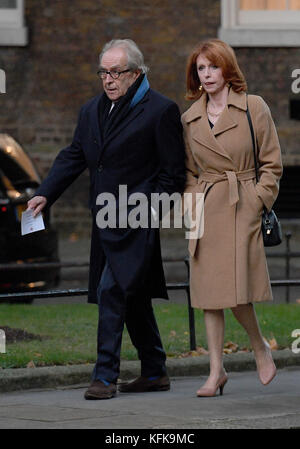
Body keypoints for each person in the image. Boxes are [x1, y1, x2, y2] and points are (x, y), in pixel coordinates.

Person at [27, 39, 186, 400]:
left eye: (116, 72)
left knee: (111, 289)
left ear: (136, 73)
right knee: (132, 296)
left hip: (136, 221)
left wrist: (146, 213)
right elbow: (74, 155)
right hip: (104, 221)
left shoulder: (160, 110)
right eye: (103, 72)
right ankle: (156, 370)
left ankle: (104, 376)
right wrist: (45, 193)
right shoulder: (91, 111)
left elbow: (173, 176)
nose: (108, 79)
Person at [181, 39, 282, 397]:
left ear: (228, 69)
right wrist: (193, 203)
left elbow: (271, 164)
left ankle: (259, 348)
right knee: (209, 294)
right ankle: (215, 371)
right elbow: (189, 172)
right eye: (201, 69)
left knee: (238, 291)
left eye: (213, 67)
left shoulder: (253, 107)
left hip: (242, 205)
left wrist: (257, 200)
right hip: (206, 209)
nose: (206, 75)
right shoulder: (190, 118)